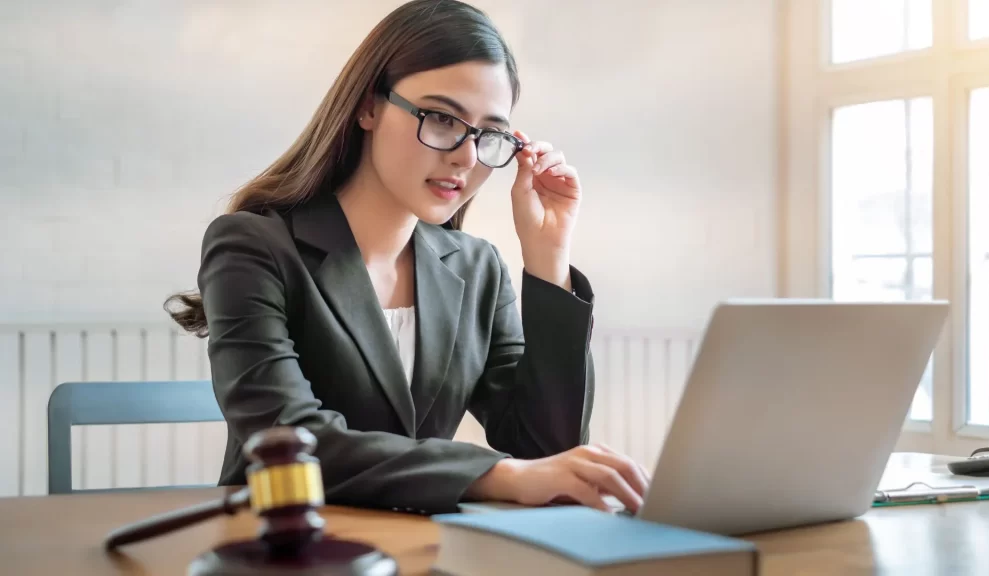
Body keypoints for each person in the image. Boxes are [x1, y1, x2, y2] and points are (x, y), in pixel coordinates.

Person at [165, 0, 648, 516]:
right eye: (442, 118)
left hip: (423, 550)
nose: (465, 155)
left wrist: (548, 259)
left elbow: (545, 449)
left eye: (489, 134)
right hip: (286, 547)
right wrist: (494, 474)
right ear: (369, 107)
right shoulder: (253, 246)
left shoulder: (477, 270)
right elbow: (290, 441)